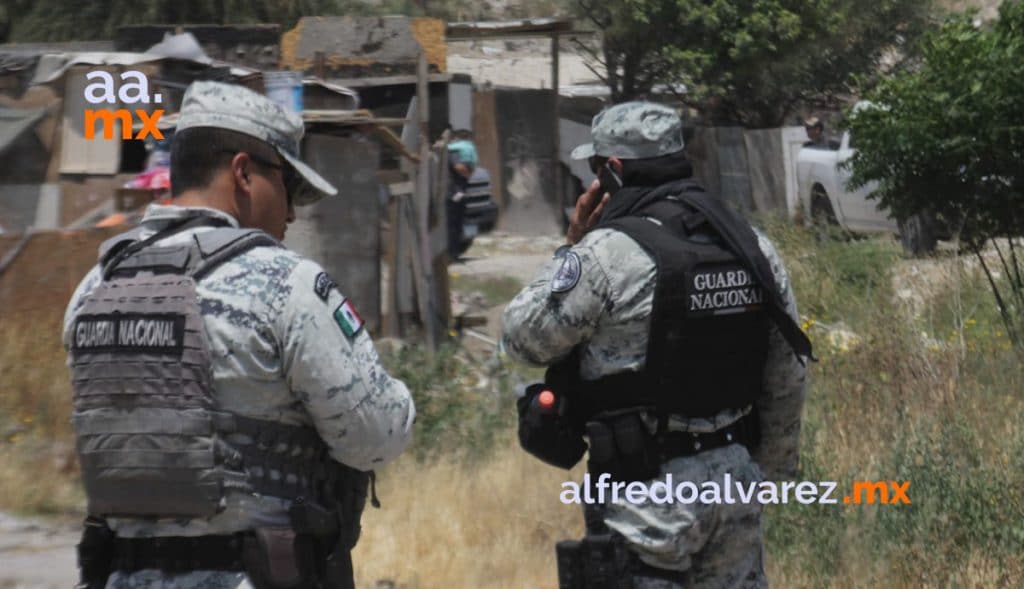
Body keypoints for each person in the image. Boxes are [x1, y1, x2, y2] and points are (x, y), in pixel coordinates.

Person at [63, 80, 416, 589]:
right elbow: (377, 436)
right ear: (244, 173)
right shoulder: (284, 285)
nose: (293, 212)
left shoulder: (94, 287)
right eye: (289, 188)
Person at [502, 102, 812, 588]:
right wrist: (766, 473)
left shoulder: (605, 255)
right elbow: (788, 373)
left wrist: (573, 246)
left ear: (614, 173)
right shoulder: (751, 245)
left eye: (596, 170)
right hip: (734, 485)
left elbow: (522, 338)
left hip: (645, 501)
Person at [446, 137, 478, 259]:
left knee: (456, 224)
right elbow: (459, 167)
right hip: (453, 193)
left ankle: (453, 253)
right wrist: (469, 173)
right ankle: (452, 253)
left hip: (457, 193)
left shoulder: (454, 151)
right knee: (453, 224)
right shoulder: (455, 152)